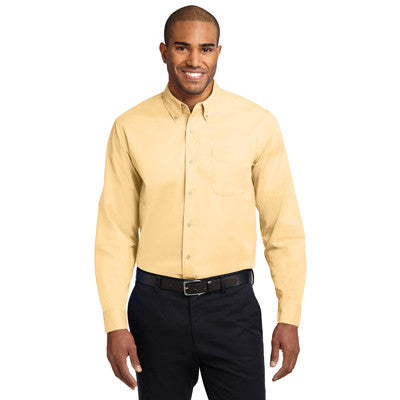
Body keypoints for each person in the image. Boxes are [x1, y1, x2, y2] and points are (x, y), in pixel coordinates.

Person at [94, 5, 307, 400]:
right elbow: (116, 233)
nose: (194, 60)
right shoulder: (130, 127)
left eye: (205, 49)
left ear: (218, 52)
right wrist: (114, 322)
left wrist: (289, 315)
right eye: (182, 47)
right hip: (154, 311)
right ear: (163, 51)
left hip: (233, 309)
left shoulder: (258, 125)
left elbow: (283, 229)